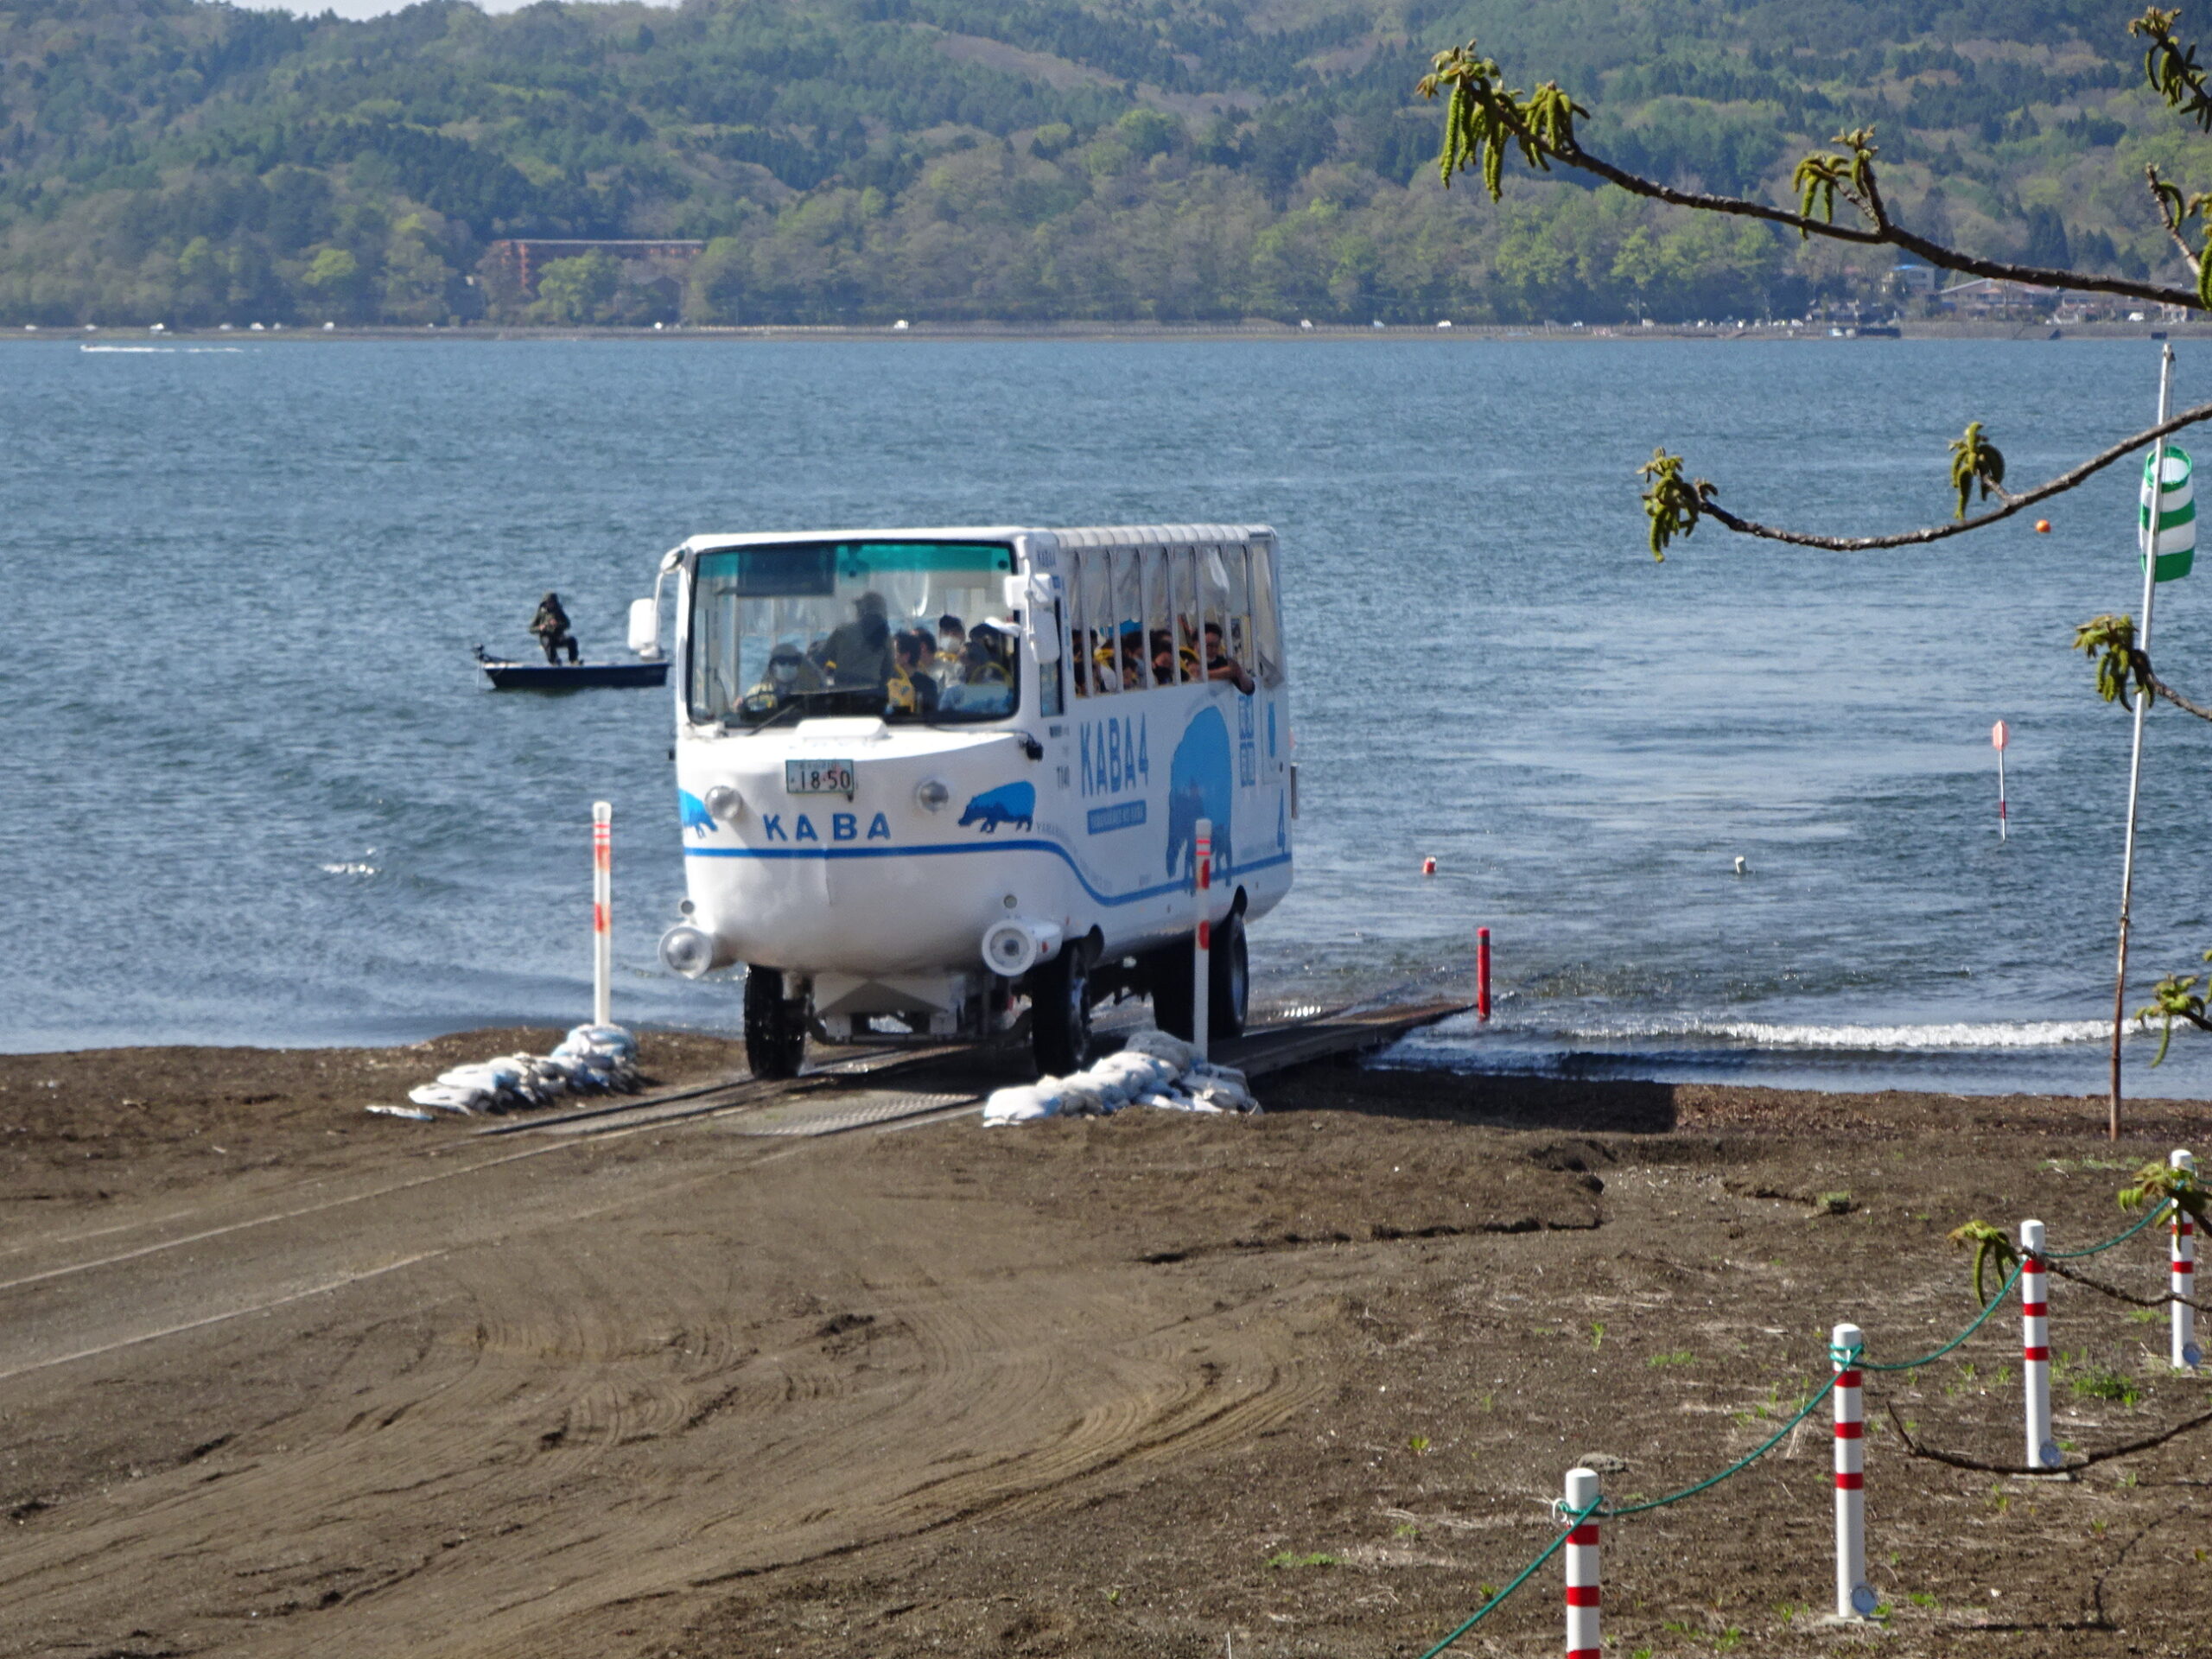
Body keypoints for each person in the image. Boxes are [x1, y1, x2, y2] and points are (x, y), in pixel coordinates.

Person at [822, 591, 896, 689]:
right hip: (870, 691)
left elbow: (822, 658)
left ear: (861, 610)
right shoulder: (886, 638)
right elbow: (888, 670)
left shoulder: (842, 631)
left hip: (842, 690)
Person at [747, 641, 823, 710]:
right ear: (773, 666)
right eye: (782, 661)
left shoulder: (809, 693)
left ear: (798, 666)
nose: (787, 665)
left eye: (792, 661)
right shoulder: (757, 692)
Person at [888, 630, 940, 714]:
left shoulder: (927, 685)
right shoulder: (884, 681)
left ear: (906, 656)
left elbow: (930, 716)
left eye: (892, 652)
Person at [1203, 621, 1255, 694]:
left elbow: (1249, 689)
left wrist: (1239, 672)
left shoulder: (1221, 663)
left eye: (1215, 644)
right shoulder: (1189, 657)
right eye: (1208, 644)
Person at [529, 592, 579, 664]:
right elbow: (531, 629)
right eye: (548, 602)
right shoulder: (541, 613)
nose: (550, 604)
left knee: (572, 640)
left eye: (552, 602)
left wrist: (557, 625)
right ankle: (554, 661)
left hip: (558, 637)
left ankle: (574, 660)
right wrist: (540, 628)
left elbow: (567, 624)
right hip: (546, 637)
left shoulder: (559, 611)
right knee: (548, 641)